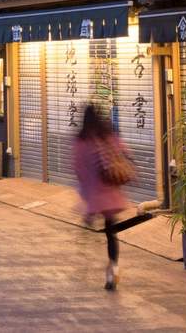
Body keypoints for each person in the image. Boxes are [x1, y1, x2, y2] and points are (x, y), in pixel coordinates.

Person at [72, 104, 134, 291]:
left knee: (90, 228)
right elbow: (125, 154)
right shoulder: (109, 136)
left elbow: (78, 169)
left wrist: (86, 190)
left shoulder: (81, 142)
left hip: (94, 196)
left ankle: (84, 263)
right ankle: (112, 269)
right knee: (110, 233)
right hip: (111, 196)